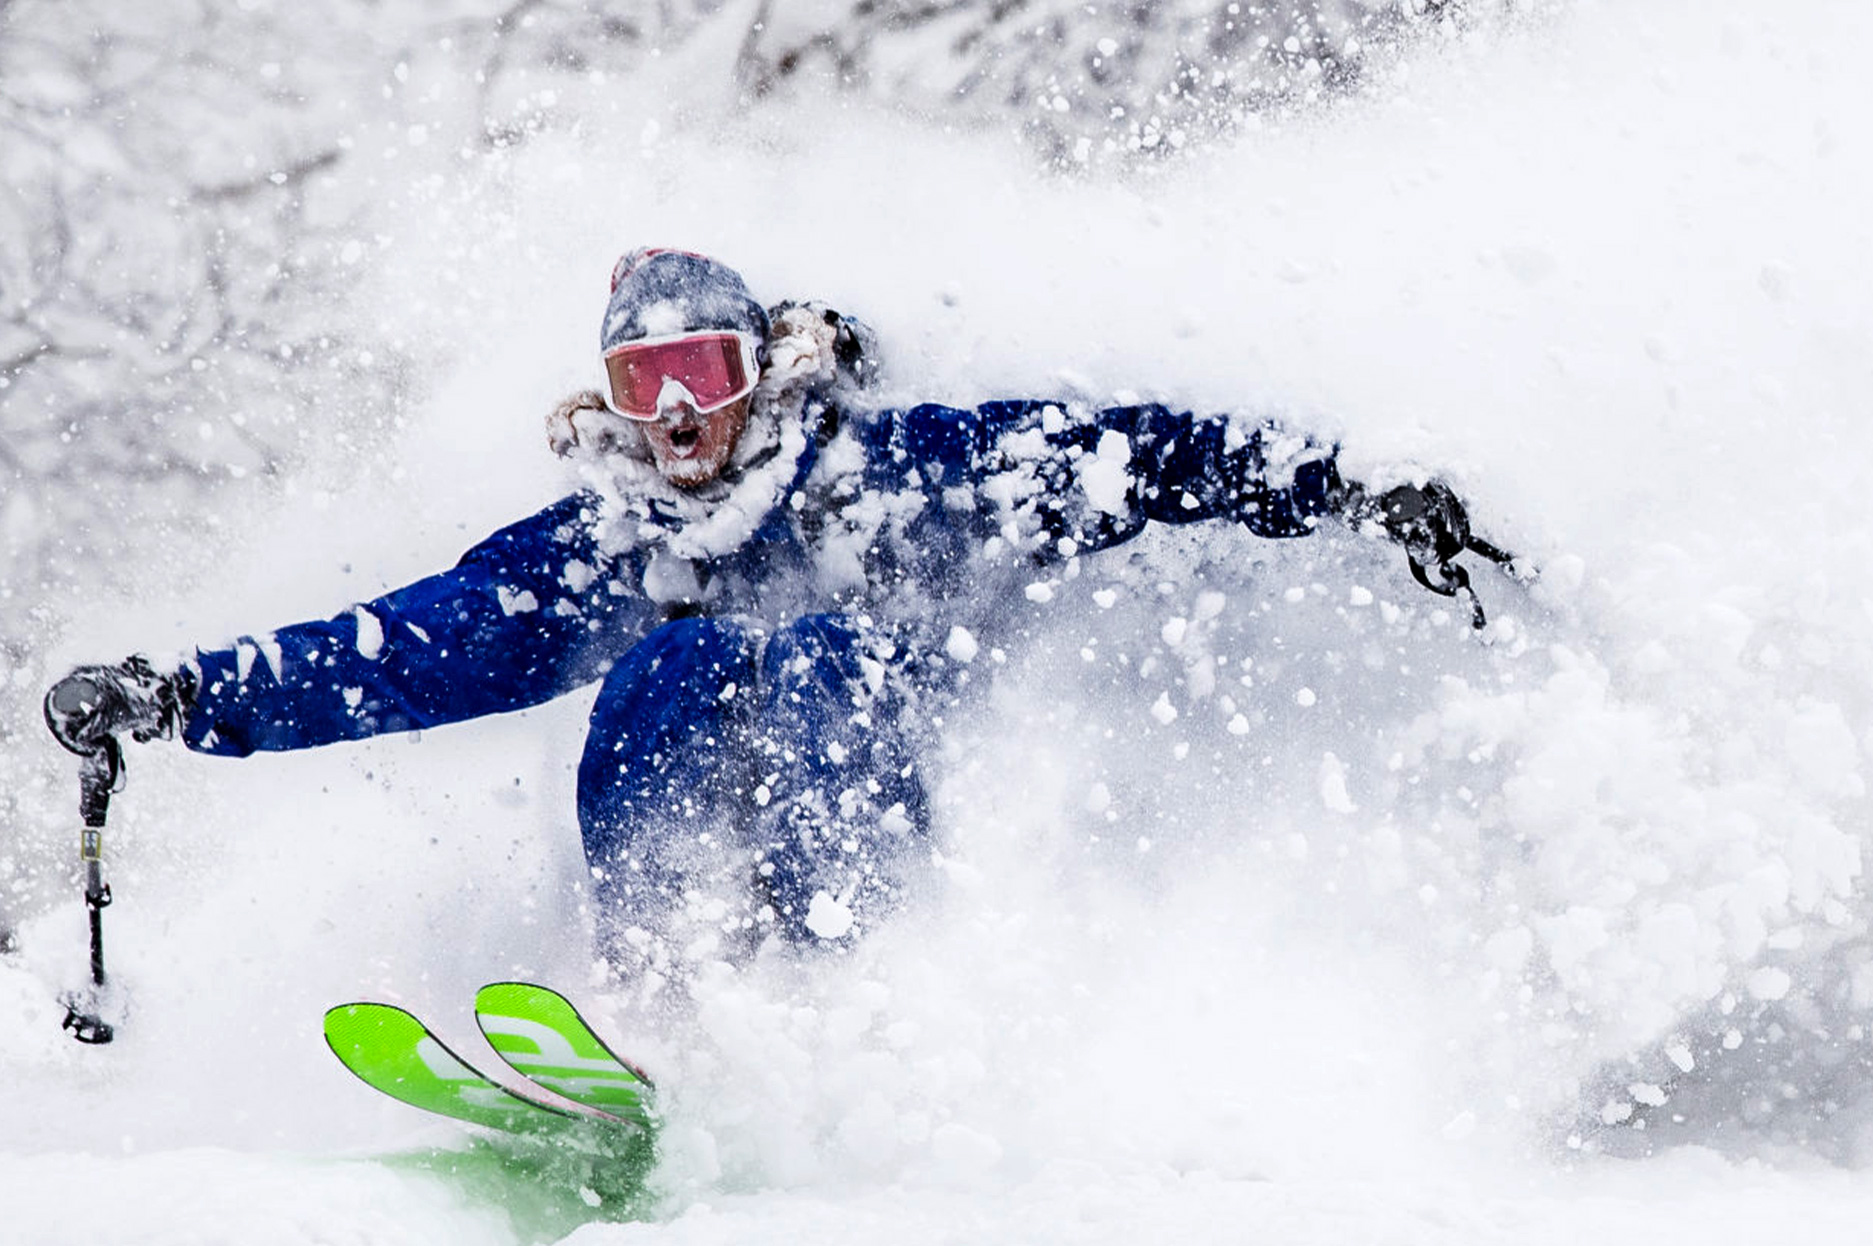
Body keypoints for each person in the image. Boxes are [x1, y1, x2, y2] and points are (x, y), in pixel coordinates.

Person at [38, 248, 1505, 961]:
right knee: (659, 673)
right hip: (699, 869)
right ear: (608, 402)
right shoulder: (609, 545)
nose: (680, 417)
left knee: (813, 648)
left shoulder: (894, 478)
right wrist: (186, 692)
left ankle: (837, 982)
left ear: (764, 365)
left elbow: (1124, 457)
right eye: (643, 386)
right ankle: (667, 992)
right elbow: (424, 640)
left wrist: (1345, 483)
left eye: (705, 375)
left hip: (887, 841)